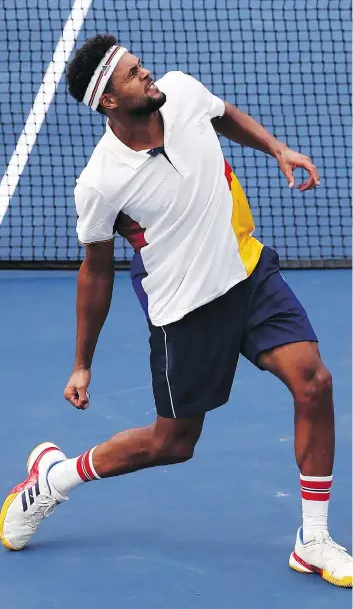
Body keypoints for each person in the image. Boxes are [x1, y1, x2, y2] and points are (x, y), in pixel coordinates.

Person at [1, 34, 351, 588]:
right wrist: (82, 362)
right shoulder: (100, 183)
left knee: (314, 383)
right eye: (133, 75)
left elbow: (224, 114)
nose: (148, 76)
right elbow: (95, 270)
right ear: (109, 102)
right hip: (185, 307)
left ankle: (313, 540)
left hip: (247, 271)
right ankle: (57, 477)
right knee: (172, 444)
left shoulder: (181, 93)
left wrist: (276, 148)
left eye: (141, 66)